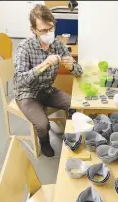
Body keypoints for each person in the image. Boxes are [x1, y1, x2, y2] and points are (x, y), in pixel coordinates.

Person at [14, 4, 83, 157]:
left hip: (47, 90)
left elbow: (79, 72)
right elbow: (20, 81)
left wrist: (71, 66)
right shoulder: (24, 47)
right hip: (27, 94)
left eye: (51, 28)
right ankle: (44, 142)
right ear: (33, 30)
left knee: (75, 106)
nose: (49, 33)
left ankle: (71, 137)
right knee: (43, 125)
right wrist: (43, 65)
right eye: (43, 30)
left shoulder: (58, 45)